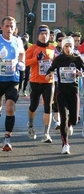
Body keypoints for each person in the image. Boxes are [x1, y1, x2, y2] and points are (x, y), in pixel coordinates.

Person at [45, 36, 84, 154]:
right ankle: (65, 144)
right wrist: (48, 74)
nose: (68, 49)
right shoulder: (58, 59)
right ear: (63, 47)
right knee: (63, 118)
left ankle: (70, 124)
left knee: (74, 119)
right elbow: (50, 69)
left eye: (70, 46)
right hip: (61, 91)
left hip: (73, 90)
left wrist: (82, 73)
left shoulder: (77, 58)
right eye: (66, 46)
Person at [25, 25, 56, 143]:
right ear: (38, 35)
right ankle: (31, 126)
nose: (44, 36)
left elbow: (56, 63)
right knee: (34, 106)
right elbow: (25, 63)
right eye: (42, 34)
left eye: (46, 34)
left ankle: (46, 133)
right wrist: (36, 59)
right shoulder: (33, 48)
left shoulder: (53, 49)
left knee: (48, 106)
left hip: (49, 82)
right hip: (35, 81)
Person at [0, 16, 26, 151]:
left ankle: (7, 139)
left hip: (12, 79)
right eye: (7, 26)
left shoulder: (18, 41)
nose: (9, 29)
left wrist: (21, 62)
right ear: (2, 27)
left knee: (10, 107)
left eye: (12, 27)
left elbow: (22, 53)